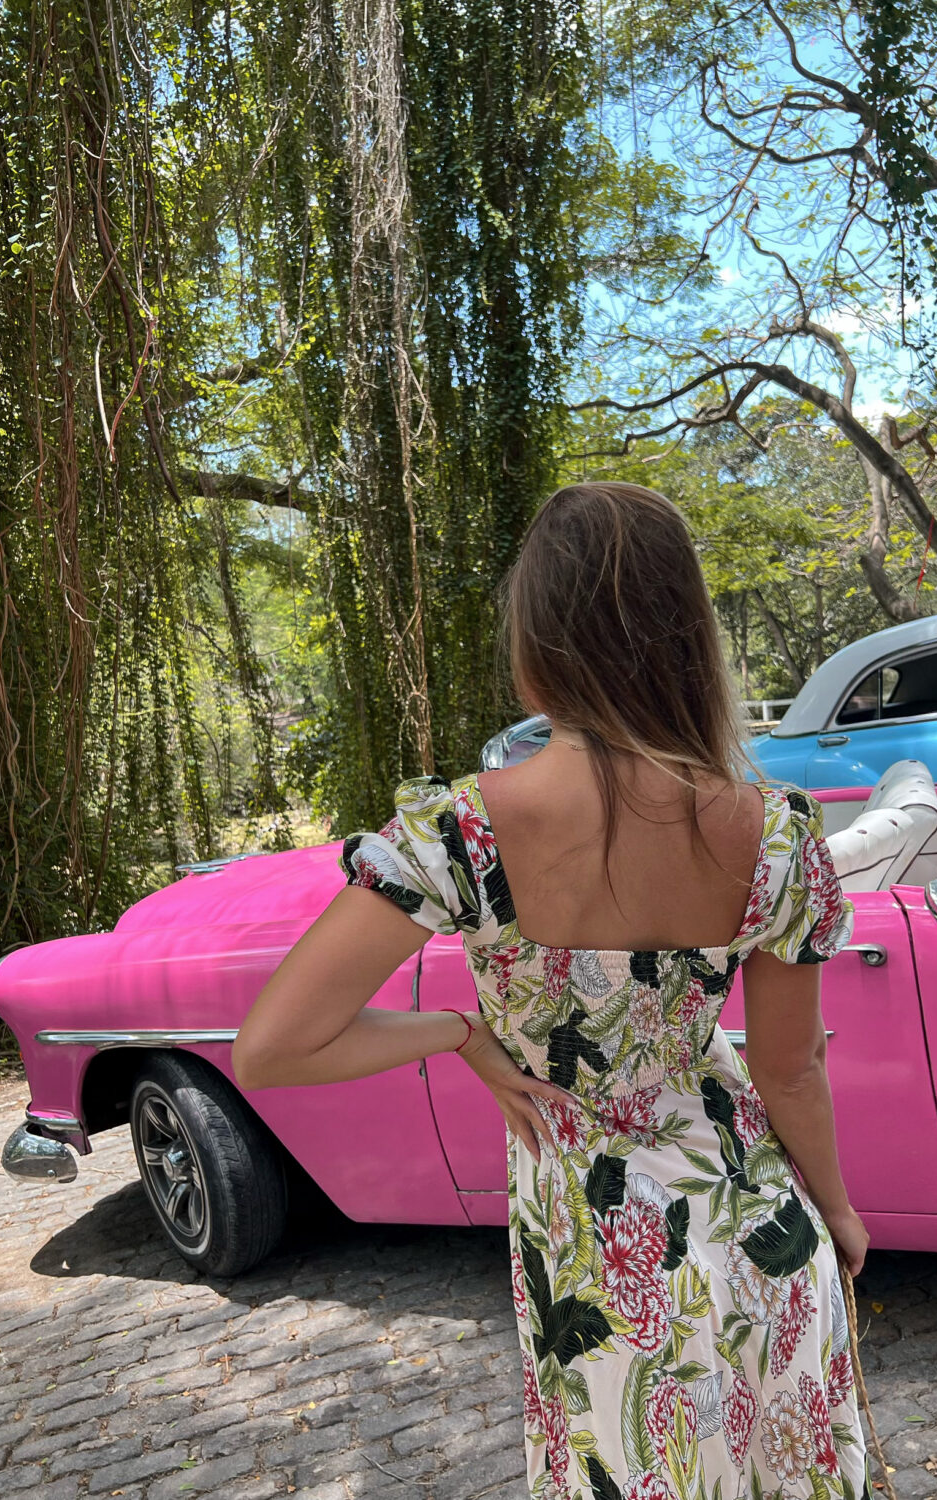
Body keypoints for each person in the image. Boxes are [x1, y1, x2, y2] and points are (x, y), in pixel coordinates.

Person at [233, 482, 872, 1500]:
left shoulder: (461, 833)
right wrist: (837, 1214)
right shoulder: (778, 832)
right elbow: (791, 1072)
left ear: (537, 646)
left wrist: (457, 1032)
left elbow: (272, 1049)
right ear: (688, 638)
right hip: (760, 1233)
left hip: (602, 1264)